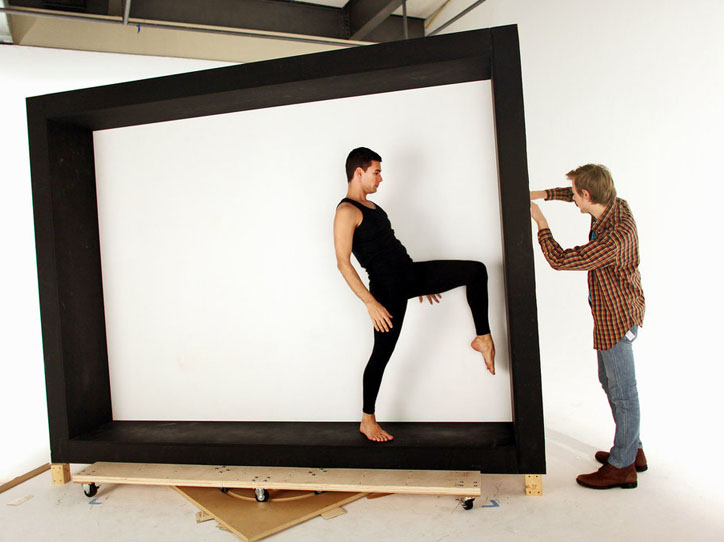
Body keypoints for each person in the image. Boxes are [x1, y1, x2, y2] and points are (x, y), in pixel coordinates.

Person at [333, 147, 496, 442]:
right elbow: (343, 263)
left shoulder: (373, 207)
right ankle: (367, 420)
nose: (381, 178)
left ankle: (482, 338)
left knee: (476, 271)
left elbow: (391, 247)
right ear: (359, 172)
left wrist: (420, 284)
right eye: (376, 172)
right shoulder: (346, 211)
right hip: (387, 292)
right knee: (382, 355)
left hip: (409, 277)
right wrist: (371, 304)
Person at [530, 164, 647, 489]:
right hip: (612, 313)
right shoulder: (614, 205)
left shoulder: (614, 238)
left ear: (587, 195)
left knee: (623, 393)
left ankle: (622, 466)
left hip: (617, 319)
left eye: (576, 194)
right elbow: (573, 194)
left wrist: (541, 222)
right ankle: (632, 449)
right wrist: (539, 194)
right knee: (609, 383)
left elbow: (561, 260)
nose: (573, 199)